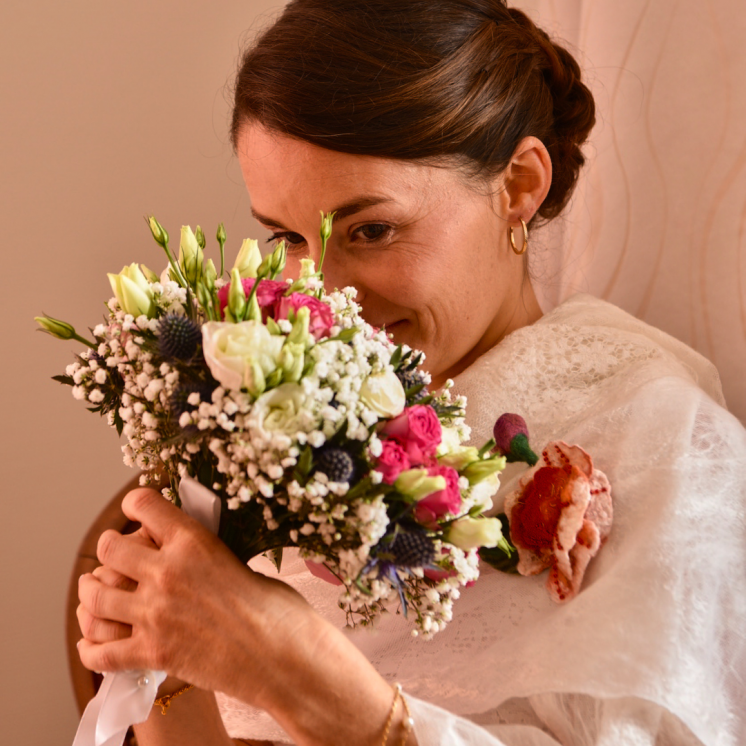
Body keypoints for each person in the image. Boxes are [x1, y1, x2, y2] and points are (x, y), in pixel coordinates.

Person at [75, 1, 746, 744]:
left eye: (371, 230)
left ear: (520, 185)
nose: (321, 296)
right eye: (288, 237)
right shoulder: (276, 443)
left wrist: (300, 675)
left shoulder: (668, 441)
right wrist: (165, 662)